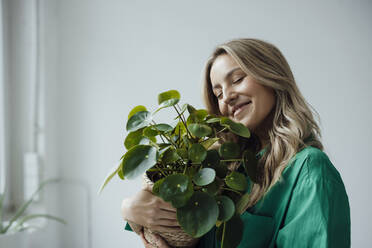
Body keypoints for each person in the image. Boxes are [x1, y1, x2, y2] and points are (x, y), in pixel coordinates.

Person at [121, 38, 350, 248]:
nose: (227, 97)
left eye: (238, 79)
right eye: (218, 94)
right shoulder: (222, 168)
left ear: (271, 76)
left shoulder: (309, 170)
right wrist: (130, 210)